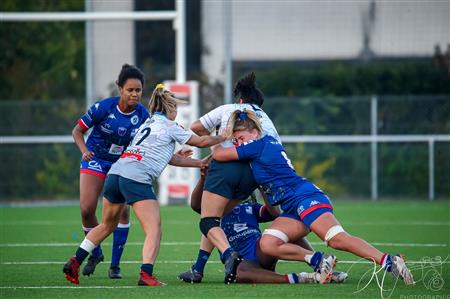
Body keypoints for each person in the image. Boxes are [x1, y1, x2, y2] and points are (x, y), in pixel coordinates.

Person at [211, 109, 415, 285]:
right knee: (268, 244)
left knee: (336, 240)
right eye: (235, 140)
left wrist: (219, 137)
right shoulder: (257, 148)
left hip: (304, 196)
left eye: (241, 138)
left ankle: (389, 261)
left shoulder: (259, 144)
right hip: (292, 206)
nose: (238, 143)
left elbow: (219, 155)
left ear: (254, 132)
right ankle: (320, 262)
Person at [63, 84, 227, 286]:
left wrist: (199, 163)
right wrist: (224, 137)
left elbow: (168, 158)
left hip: (115, 173)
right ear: (170, 109)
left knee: (107, 225)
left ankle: (75, 261)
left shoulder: (146, 124)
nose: (176, 112)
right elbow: (201, 142)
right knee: (154, 229)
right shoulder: (170, 126)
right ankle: (146, 274)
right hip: (135, 178)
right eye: (175, 108)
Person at [190, 72, 291, 284]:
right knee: (215, 219)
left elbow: (195, 128)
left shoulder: (229, 108)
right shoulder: (266, 121)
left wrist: (217, 139)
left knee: (208, 220)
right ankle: (197, 269)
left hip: (226, 166)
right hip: (254, 173)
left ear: (241, 101)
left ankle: (229, 255)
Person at [178, 168, 348, 284]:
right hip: (242, 261)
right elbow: (195, 204)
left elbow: (273, 213)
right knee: (239, 273)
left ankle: (319, 263)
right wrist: (202, 179)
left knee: (284, 228)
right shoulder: (215, 211)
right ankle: (303, 277)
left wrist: (262, 187)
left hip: (262, 251)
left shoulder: (249, 208)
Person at [72, 64, 149, 279]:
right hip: (95, 159)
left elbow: (150, 141)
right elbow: (77, 131)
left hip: (121, 164)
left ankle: (115, 266)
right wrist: (85, 150)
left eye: (138, 90)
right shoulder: (103, 108)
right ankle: (95, 253)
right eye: (130, 90)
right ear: (120, 89)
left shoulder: (143, 116)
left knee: (121, 212)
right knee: (87, 209)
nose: (135, 94)